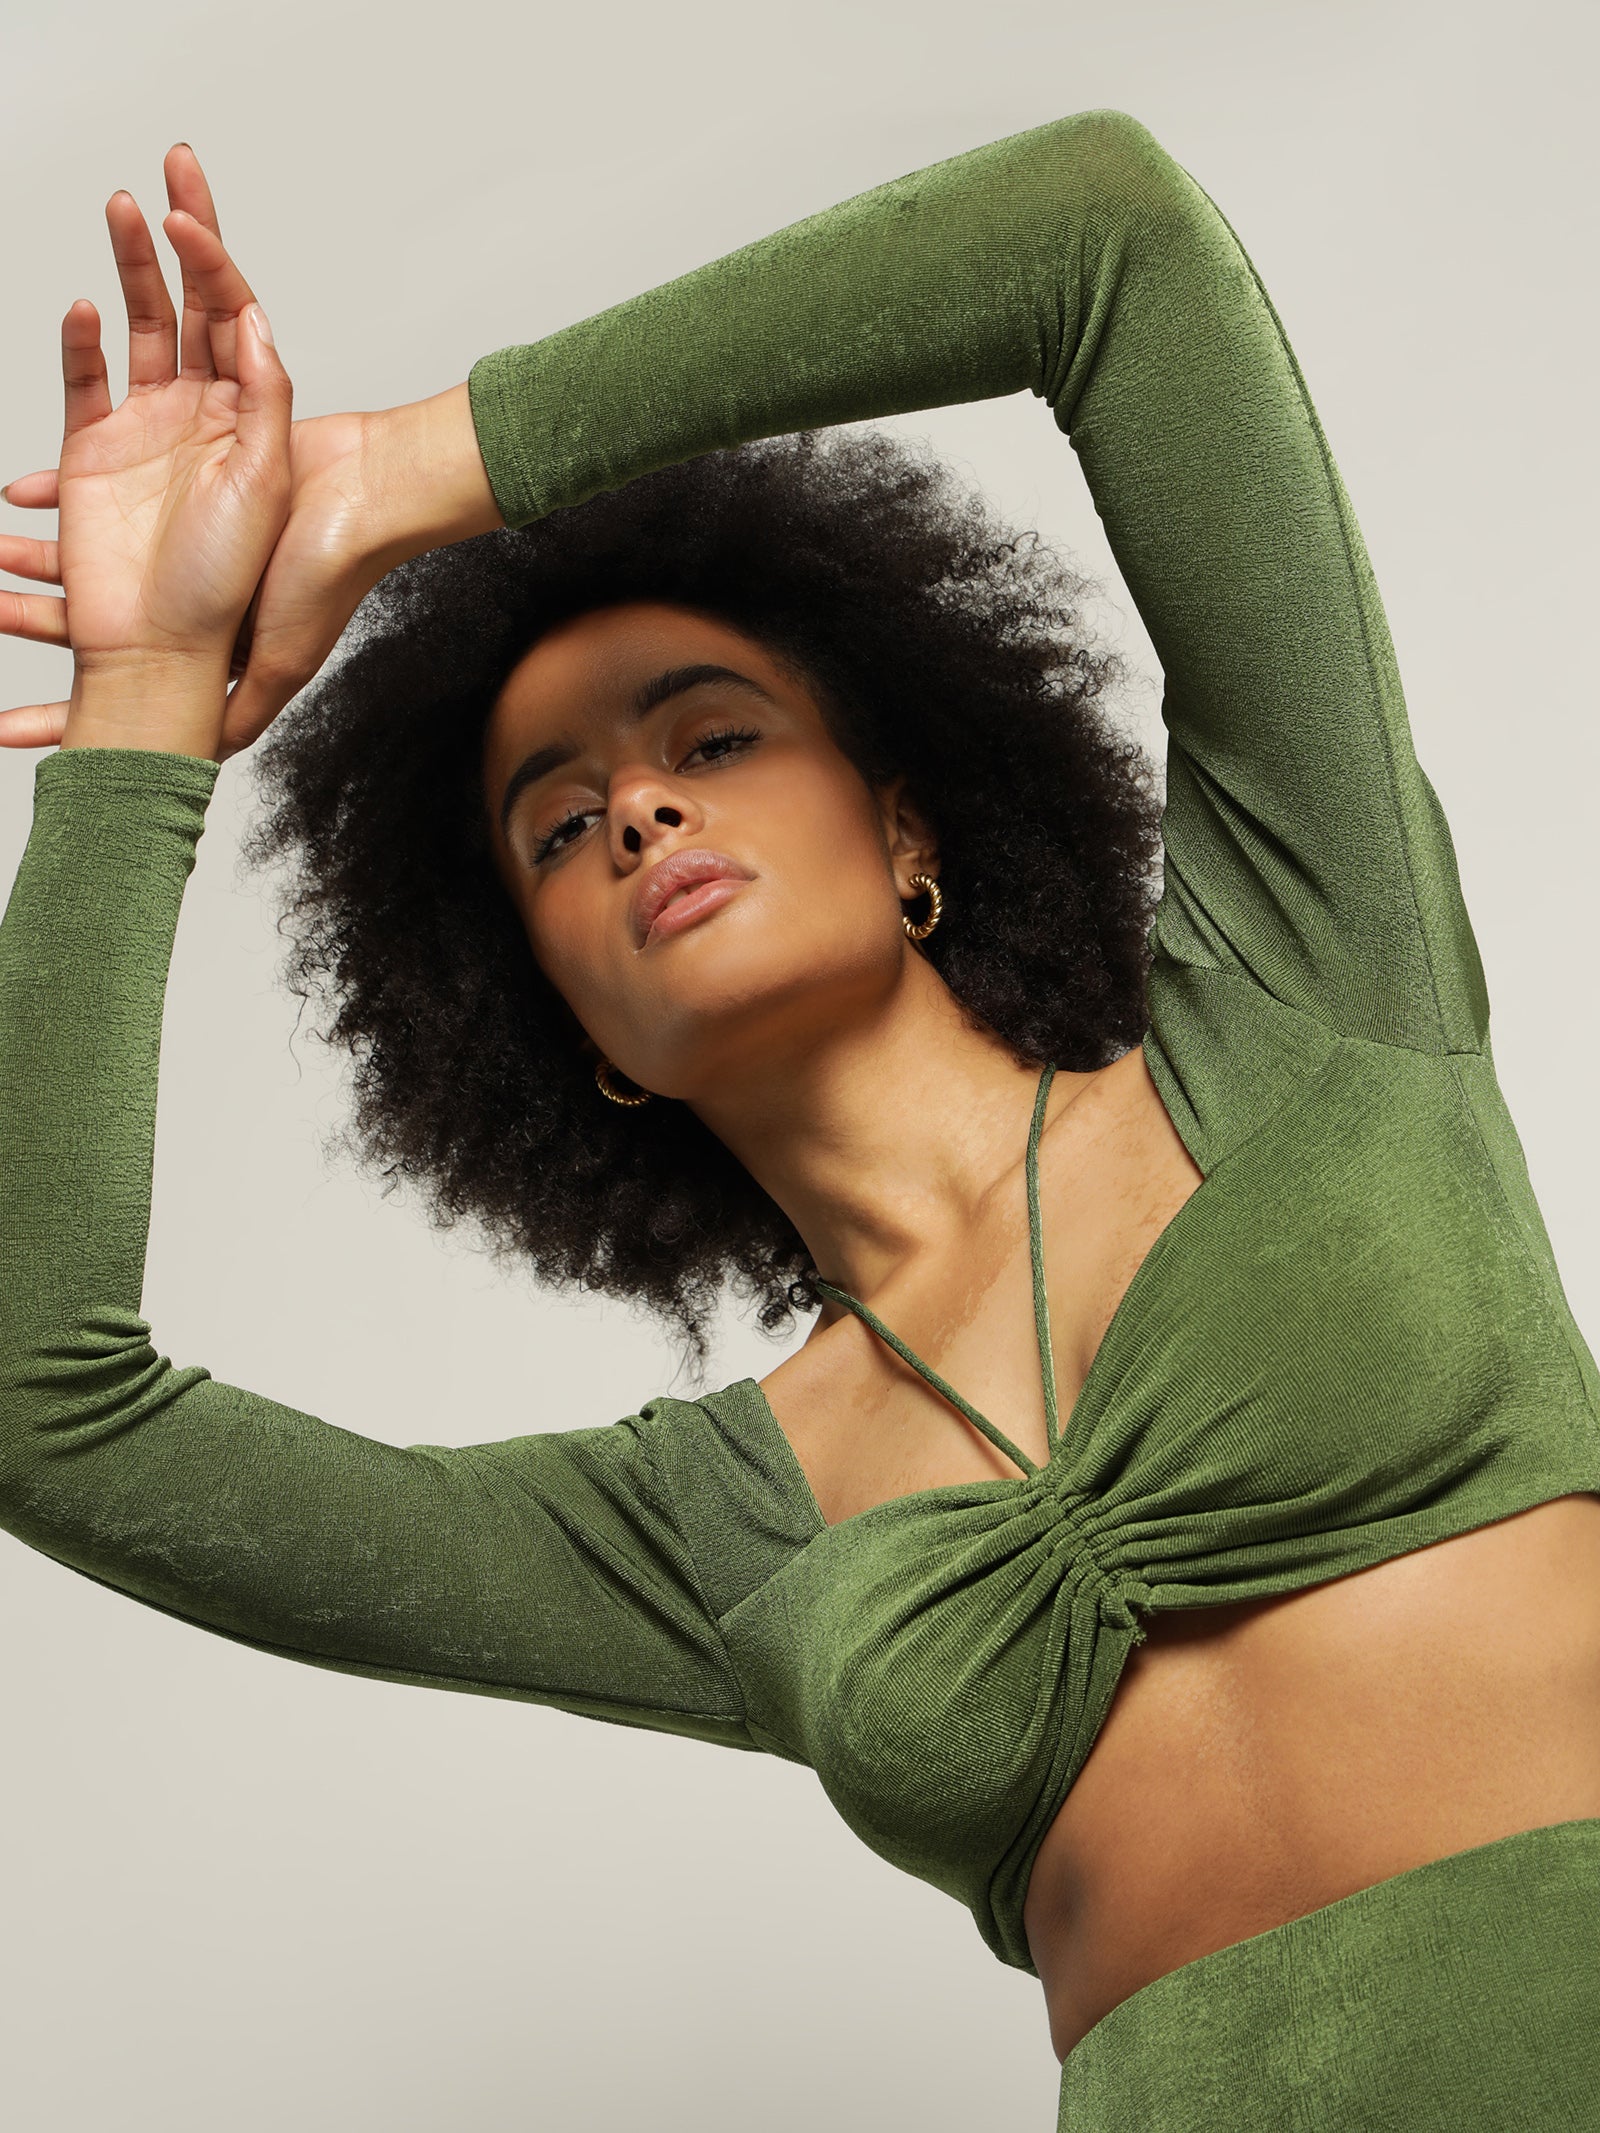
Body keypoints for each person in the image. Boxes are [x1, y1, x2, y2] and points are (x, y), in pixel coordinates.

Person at [2, 108, 1599, 2131]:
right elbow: (45, 1402)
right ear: (571, 1029)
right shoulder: (710, 1531)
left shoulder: (1314, 1000)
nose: (638, 805)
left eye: (712, 734)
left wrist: (401, 473)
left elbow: (1100, 237)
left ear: (907, 822)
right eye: (558, 827)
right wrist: (147, 680)